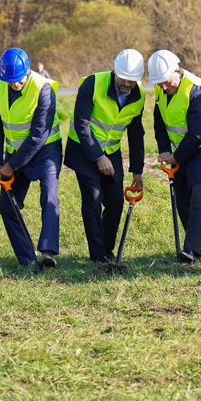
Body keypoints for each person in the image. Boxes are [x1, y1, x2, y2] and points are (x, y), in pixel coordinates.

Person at [64, 49, 145, 263]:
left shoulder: (139, 96)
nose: (127, 84)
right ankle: (98, 256)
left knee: (116, 201)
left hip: (111, 152)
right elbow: (81, 124)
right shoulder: (92, 83)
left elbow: (136, 134)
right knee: (92, 199)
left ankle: (107, 249)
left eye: (132, 81)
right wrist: (98, 157)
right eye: (123, 79)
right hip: (84, 150)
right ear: (115, 70)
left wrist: (137, 170)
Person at [0, 48, 62, 273]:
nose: (14, 85)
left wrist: (10, 166)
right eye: (9, 81)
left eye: (18, 81)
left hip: (45, 151)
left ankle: (48, 252)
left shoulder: (43, 89)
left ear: (27, 72)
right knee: (7, 206)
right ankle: (27, 259)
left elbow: (38, 135)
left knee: (49, 197)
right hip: (13, 151)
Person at [149, 50, 201, 263]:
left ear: (177, 70)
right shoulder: (161, 89)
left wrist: (177, 157)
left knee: (198, 196)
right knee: (182, 197)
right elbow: (159, 123)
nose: (164, 87)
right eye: (159, 84)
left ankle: (192, 250)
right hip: (184, 149)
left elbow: (198, 133)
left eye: (166, 82)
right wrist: (165, 150)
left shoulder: (196, 90)